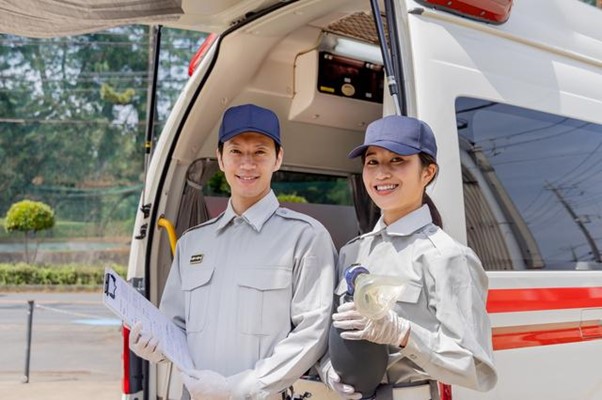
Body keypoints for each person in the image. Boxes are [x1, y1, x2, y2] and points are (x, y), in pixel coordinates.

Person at [129, 103, 337, 400]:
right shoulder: (192, 243)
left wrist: (236, 389)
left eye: (260, 152)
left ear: (278, 158)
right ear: (221, 158)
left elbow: (312, 335)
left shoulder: (305, 237)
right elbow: (174, 326)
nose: (247, 164)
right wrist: (154, 346)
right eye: (236, 151)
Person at [321, 115, 497, 400]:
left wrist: (403, 334)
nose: (381, 174)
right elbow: (332, 331)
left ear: (427, 173)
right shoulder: (351, 251)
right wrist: (329, 369)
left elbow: (477, 369)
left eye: (397, 160)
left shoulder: (446, 257)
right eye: (372, 162)